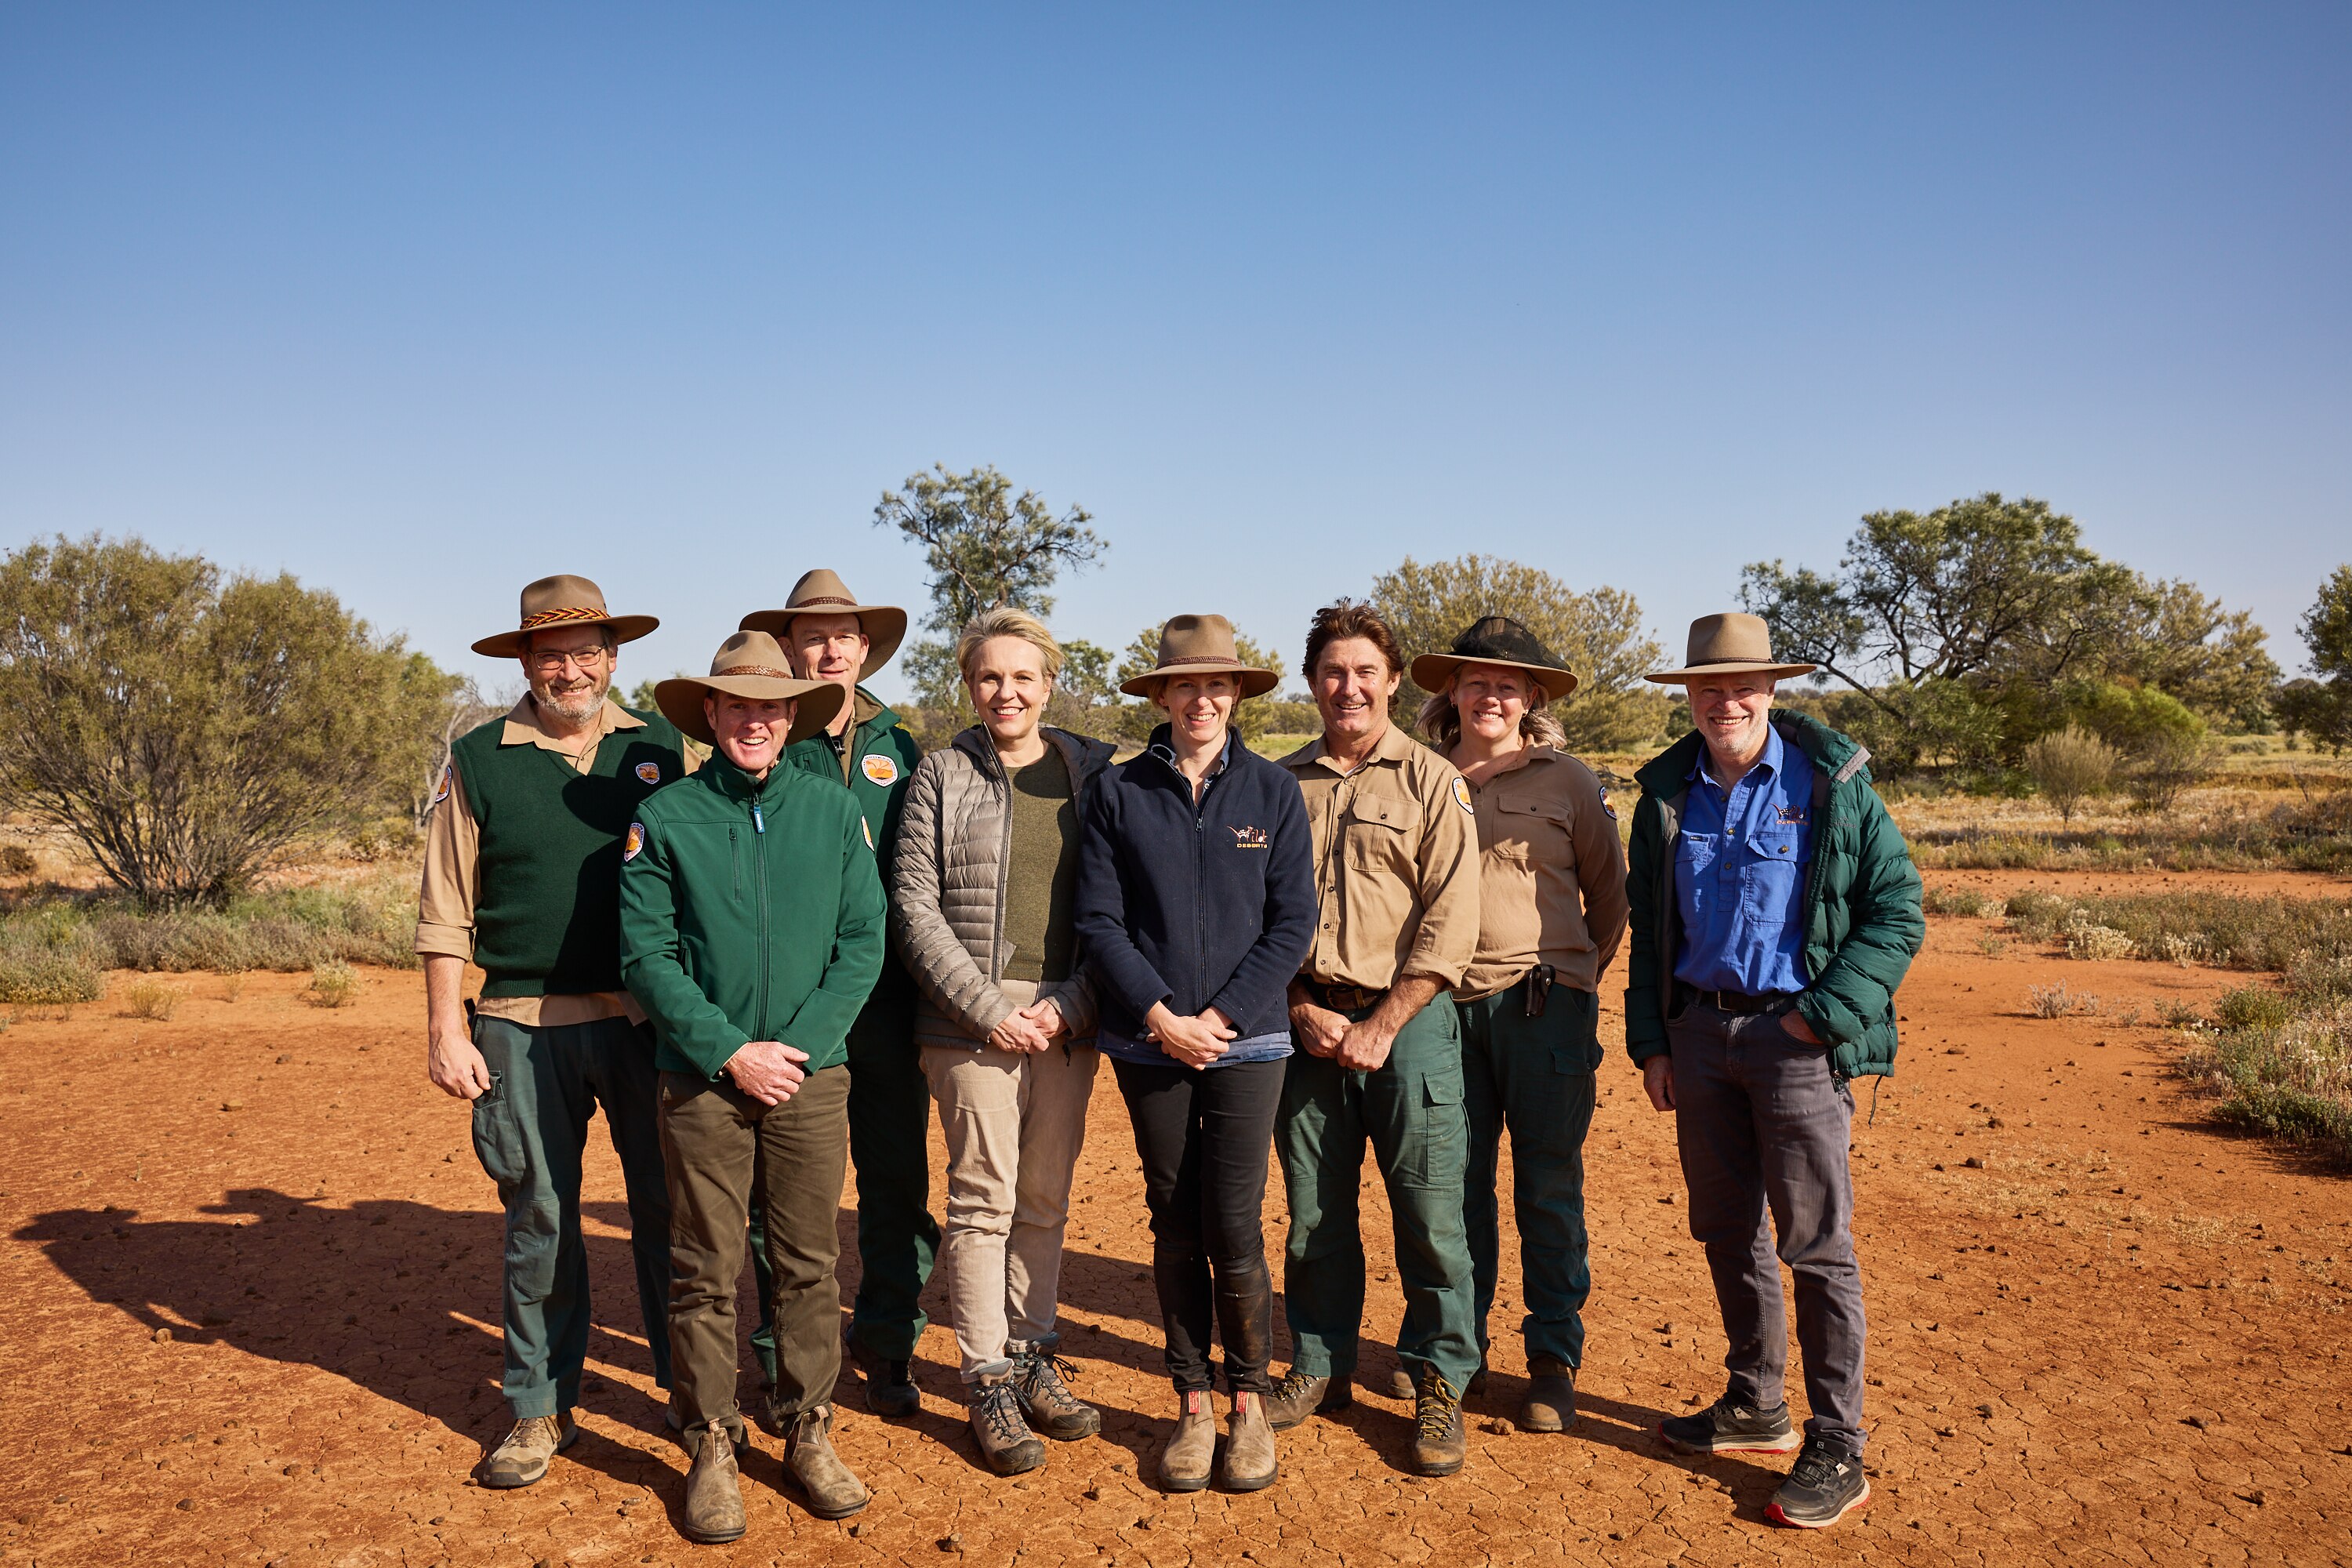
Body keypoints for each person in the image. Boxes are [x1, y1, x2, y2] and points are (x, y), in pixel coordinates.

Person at [1624, 612, 1922, 1530]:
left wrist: (1819, 1018)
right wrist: (1655, 1041)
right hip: (1701, 1037)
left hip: (1794, 1043)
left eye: (1743, 684)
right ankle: (1756, 1400)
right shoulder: (1666, 794)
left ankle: (1839, 1440)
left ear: (1772, 689)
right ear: (1689, 695)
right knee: (1725, 1227)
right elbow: (1650, 932)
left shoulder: (1830, 785)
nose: (1726, 700)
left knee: (1816, 1243)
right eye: (1708, 686)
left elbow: (1897, 908)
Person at [417, 574, 685, 1489]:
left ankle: (689, 1394)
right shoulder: (480, 757)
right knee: (542, 1211)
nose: (569, 668)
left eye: (586, 651)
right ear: (523, 661)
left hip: (649, 1020)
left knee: (672, 1207)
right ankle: (539, 1406)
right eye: (549, 653)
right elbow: (447, 903)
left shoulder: (660, 744)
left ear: (614, 657)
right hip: (520, 1023)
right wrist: (446, 1029)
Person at [619, 630, 884, 1540]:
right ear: (712, 715)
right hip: (702, 1078)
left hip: (810, 1079)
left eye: (772, 706)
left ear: (790, 715)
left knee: (808, 1261)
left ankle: (808, 1428)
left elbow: (863, 944)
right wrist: (732, 1051)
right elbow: (646, 954)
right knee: (704, 1264)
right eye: (739, 705)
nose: (757, 721)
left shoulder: (831, 808)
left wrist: (797, 1049)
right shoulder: (669, 817)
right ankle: (711, 1442)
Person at [1074, 615, 1317, 1492]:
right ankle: (1191, 1401)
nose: (1203, 699)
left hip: (1249, 1043)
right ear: (1162, 695)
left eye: (1219, 685)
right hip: (1148, 1039)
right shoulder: (1119, 790)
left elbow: (1293, 921)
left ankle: (1249, 1402)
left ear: (1237, 695)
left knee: (1236, 1219)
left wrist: (1220, 1015)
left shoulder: (1272, 791)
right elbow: (1099, 917)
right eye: (1187, 685)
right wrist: (1161, 1013)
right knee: (1173, 1217)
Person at [893, 607, 1116, 1476]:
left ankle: (1032, 1352)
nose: (1007, 691)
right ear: (970, 685)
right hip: (968, 1023)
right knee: (983, 1197)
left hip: (1066, 1017)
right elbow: (914, 905)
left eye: (1024, 676)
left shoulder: (1091, 776)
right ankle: (986, 1372)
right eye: (990, 676)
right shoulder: (941, 774)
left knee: (1048, 1195)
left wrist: (1074, 1003)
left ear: (1049, 683)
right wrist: (984, 1005)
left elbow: (1118, 910)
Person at [1266, 600, 1483, 1479]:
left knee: (1431, 1212)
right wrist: (1295, 1005)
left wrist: (1385, 1021)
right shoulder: (1279, 784)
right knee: (1314, 1212)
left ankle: (1437, 1375)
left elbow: (1453, 917)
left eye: (1365, 671)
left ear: (1393, 681)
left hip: (1412, 1027)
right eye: (1332, 671)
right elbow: (1257, 916)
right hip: (1307, 1024)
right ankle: (1319, 1362)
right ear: (1312, 682)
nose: (1347, 687)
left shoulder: (1434, 781)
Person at [1406, 616, 1628, 1433]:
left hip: (1545, 1009)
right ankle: (1452, 1355)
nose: (1490, 694)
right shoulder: (1417, 774)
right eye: (1475, 680)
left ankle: (1552, 1360)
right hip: (1441, 1012)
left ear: (1532, 696)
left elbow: (1610, 901)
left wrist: (1569, 974)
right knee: (1450, 1193)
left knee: (1547, 1187)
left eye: (1508, 683)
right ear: (1452, 691)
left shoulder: (1568, 779)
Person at [737, 570, 937, 1418]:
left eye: (843, 634)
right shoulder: (766, 733)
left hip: (887, 1003)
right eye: (810, 635)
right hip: (785, 1010)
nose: (827, 648)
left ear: (864, 647)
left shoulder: (904, 742)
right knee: (782, 1200)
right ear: (787, 648)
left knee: (896, 1184)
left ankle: (888, 1341)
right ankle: (785, 1358)